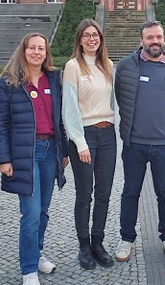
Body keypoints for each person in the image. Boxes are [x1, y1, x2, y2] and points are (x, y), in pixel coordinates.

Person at [0, 33, 69, 285]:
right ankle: (28, 269)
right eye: (32, 48)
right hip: (26, 152)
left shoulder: (54, 79)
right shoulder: (8, 83)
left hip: (50, 151)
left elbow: (61, 119)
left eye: (41, 49)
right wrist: (3, 158)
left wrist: (64, 151)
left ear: (46, 53)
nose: (37, 52)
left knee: (43, 210)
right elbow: (0, 123)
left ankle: (36, 255)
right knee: (31, 213)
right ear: (23, 50)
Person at [113, 20, 165, 263]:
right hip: (134, 143)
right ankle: (126, 238)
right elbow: (120, 95)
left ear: (163, 38)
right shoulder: (126, 66)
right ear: (141, 40)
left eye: (158, 37)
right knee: (130, 192)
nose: (154, 41)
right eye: (149, 38)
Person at [62, 19, 116, 270]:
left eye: (95, 35)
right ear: (80, 40)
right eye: (86, 35)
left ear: (101, 38)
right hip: (83, 135)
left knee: (104, 193)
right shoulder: (73, 66)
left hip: (107, 135)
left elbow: (114, 103)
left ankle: (98, 242)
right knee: (85, 194)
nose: (92, 39)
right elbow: (69, 109)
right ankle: (83, 245)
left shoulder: (108, 65)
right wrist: (80, 143)